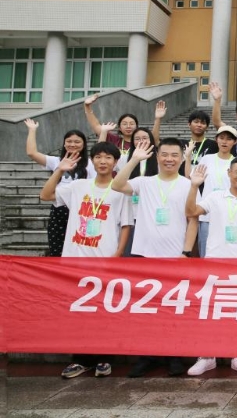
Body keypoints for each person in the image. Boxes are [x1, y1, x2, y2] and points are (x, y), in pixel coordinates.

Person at [39, 142, 132, 379]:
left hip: (105, 260)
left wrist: (118, 254)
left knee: (104, 310)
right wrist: (59, 170)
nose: (103, 161)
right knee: (78, 311)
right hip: (75, 261)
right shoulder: (78, 186)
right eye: (98, 157)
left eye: (108, 157)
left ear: (116, 162)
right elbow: (46, 195)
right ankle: (80, 359)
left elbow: (125, 225)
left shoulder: (120, 190)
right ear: (92, 161)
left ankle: (104, 358)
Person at [111, 137, 198, 378]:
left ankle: (173, 356)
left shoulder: (188, 185)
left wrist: (186, 252)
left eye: (174, 155)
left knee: (173, 309)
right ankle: (146, 356)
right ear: (157, 156)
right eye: (165, 154)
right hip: (145, 255)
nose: (169, 159)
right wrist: (134, 160)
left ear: (181, 158)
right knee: (145, 309)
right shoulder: (145, 182)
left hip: (175, 257)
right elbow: (117, 185)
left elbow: (193, 220)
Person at [184, 156, 237, 376]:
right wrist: (194, 186)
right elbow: (191, 212)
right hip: (214, 263)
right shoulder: (215, 196)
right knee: (210, 310)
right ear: (229, 173)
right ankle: (206, 356)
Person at [24, 119, 95, 257]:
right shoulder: (56, 161)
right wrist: (32, 130)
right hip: (59, 209)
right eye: (69, 141)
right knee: (57, 250)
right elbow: (32, 153)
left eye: (77, 141)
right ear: (64, 143)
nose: (72, 144)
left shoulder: (91, 164)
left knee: (82, 250)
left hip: (83, 211)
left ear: (84, 144)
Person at [185, 126, 237, 257]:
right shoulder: (207, 159)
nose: (224, 142)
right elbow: (190, 177)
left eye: (229, 139)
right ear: (216, 139)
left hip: (229, 215)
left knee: (228, 253)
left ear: (235, 142)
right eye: (221, 138)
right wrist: (188, 157)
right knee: (206, 253)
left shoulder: (236, 162)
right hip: (207, 214)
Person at [118, 127, 159, 256]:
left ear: (151, 140)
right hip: (130, 210)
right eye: (137, 139)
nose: (141, 141)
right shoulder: (125, 158)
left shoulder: (158, 158)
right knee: (130, 250)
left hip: (151, 211)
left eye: (145, 138)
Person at [83, 93, 138, 169]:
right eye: (124, 124)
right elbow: (96, 125)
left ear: (137, 126)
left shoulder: (141, 142)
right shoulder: (113, 139)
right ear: (119, 128)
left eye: (131, 124)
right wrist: (87, 106)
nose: (128, 126)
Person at [163, 109, 219, 175]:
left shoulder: (214, 145)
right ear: (189, 124)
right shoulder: (181, 144)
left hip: (205, 180)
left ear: (207, 127)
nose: (199, 125)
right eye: (196, 122)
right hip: (183, 180)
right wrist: (158, 119)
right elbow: (157, 143)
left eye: (203, 123)